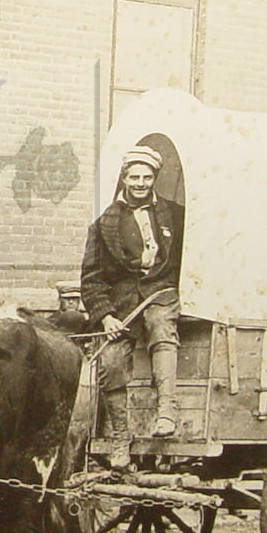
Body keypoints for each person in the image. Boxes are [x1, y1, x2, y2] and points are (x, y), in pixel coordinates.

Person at [80, 145, 183, 439]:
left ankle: (167, 412)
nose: (140, 184)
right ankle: (120, 438)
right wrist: (106, 317)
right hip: (122, 302)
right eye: (134, 177)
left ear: (155, 179)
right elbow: (91, 278)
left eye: (147, 178)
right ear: (124, 178)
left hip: (160, 292)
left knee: (160, 325)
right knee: (111, 361)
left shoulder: (174, 215)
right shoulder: (105, 223)